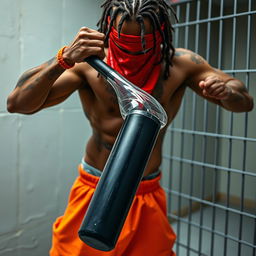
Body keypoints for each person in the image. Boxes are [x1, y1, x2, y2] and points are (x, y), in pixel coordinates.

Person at [7, 0, 254, 255]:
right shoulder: (88, 64)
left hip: (146, 189)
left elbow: (244, 101)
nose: (132, 55)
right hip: (95, 187)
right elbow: (17, 104)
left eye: (142, 46)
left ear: (161, 33)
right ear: (108, 30)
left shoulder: (182, 64)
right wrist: (64, 58)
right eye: (124, 43)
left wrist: (225, 92)